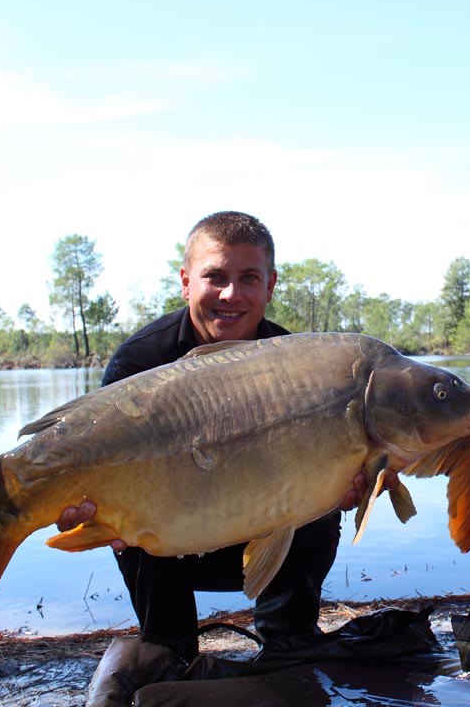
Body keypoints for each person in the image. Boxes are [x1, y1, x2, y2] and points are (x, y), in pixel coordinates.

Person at [66, 212, 374, 702]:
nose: (232, 294)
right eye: (216, 277)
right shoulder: (139, 363)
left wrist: (345, 483)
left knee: (317, 504)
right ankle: (169, 646)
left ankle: (288, 641)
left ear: (270, 285)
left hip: (256, 538)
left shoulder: (298, 363)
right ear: (186, 281)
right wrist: (84, 508)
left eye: (249, 278)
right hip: (169, 544)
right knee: (138, 509)